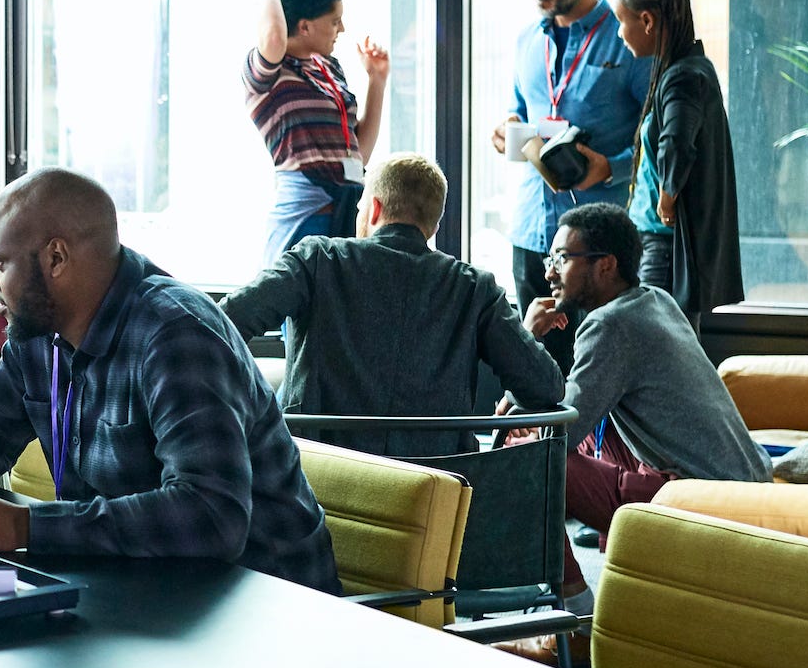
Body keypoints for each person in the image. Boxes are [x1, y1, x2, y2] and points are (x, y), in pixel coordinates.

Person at [0, 169, 339, 595]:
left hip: (264, 608)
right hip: (143, 590)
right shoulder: (41, 332)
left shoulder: (175, 334)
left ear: (56, 258)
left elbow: (212, 516)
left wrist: (23, 526)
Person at [219, 153, 563, 458]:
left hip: (316, 480)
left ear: (376, 208)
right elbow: (545, 387)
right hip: (434, 497)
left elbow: (222, 322)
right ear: (434, 225)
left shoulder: (318, 260)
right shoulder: (474, 288)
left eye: (359, 208)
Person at [522, 203, 767, 546]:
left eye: (562, 258)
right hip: (744, 475)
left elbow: (557, 435)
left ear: (605, 265)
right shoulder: (656, 299)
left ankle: (574, 595)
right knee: (568, 430)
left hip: (702, 496)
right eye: (551, 260)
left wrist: (526, 340)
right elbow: (579, 401)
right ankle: (617, 530)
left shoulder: (609, 326)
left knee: (534, 458)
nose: (549, 272)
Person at [487, 0, 651, 373]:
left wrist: (612, 168)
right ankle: (544, 445)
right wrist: (506, 131)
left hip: (597, 244)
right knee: (539, 362)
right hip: (532, 231)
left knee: (600, 364)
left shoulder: (625, 40)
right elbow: (517, 111)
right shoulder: (526, 40)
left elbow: (654, 137)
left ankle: (596, 447)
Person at [616, 0, 743, 327]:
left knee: (661, 349)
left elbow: (676, 140)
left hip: (663, 244)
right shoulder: (691, 68)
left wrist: (667, 195)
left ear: (647, 20)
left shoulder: (683, 76)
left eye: (622, 21)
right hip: (662, 243)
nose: (620, 32)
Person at [247, 0, 390, 262]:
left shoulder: (328, 67)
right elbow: (274, 37)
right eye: (334, 20)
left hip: (347, 209)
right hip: (305, 214)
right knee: (297, 304)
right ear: (304, 25)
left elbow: (358, 154)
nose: (342, 28)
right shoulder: (268, 73)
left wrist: (376, 80)